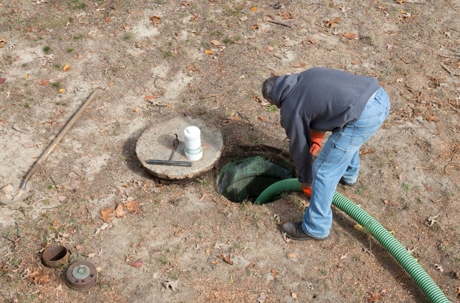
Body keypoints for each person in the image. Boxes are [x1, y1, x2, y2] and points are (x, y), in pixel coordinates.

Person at [261, 67, 390, 240]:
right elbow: (323, 104)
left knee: (323, 172)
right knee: (347, 140)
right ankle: (348, 176)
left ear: (273, 101)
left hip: (364, 115)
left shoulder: (289, 109)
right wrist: (316, 138)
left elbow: (299, 149)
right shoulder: (306, 76)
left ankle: (316, 227)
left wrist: (306, 181)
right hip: (379, 96)